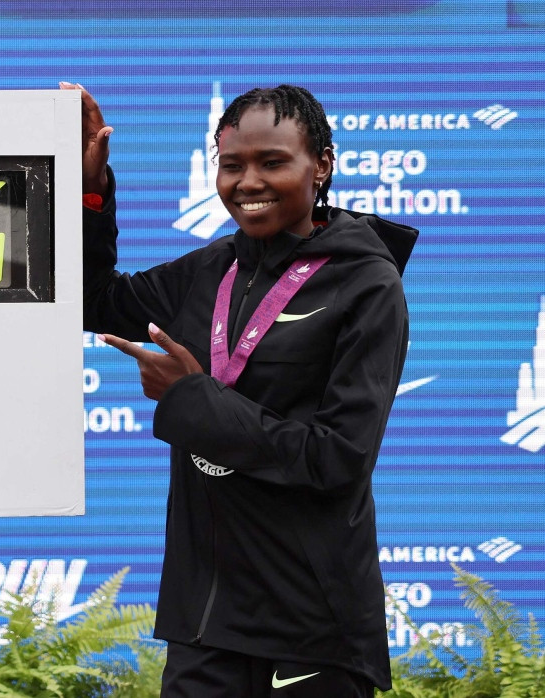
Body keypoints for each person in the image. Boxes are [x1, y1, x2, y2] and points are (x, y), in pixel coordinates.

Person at [65, 81, 417, 697]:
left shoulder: (368, 284)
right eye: (231, 165)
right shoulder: (209, 271)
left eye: (273, 162)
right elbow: (93, 300)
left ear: (322, 167)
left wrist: (191, 400)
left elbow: (337, 458)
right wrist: (90, 192)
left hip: (312, 625)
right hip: (207, 620)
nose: (248, 182)